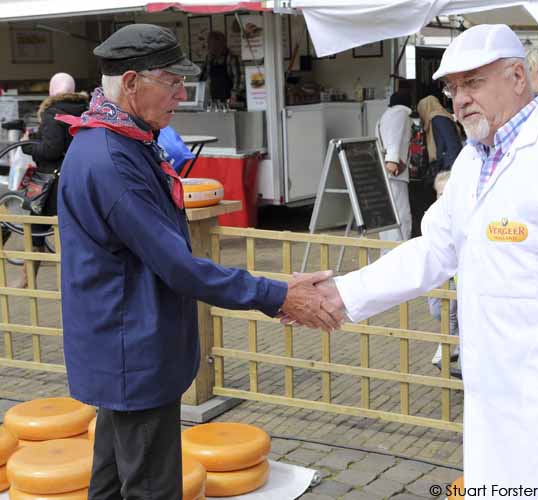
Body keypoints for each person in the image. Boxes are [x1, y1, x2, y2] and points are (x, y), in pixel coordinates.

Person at [310, 24, 538, 498]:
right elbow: (434, 249)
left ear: (518, 77)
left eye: (473, 82)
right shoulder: (472, 161)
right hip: (493, 393)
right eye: (452, 87)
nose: (459, 99)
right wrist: (343, 293)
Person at [56, 24, 341, 498]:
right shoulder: (110, 158)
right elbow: (179, 265)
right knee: (150, 486)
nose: (181, 94)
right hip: (133, 350)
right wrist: (278, 294)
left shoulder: (116, 141)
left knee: (110, 478)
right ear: (131, 83)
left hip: (122, 345)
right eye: (171, 82)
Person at [15, 73, 88, 288]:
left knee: (35, 230)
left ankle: (27, 280)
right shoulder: (86, 110)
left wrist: (27, 144)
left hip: (50, 183)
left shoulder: (51, 113)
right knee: (73, 232)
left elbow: (51, 149)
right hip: (78, 178)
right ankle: (78, 282)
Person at [427, 170, 458, 367]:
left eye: (447, 193)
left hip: (455, 274)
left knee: (453, 312)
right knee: (436, 310)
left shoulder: (458, 212)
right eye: (439, 193)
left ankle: (449, 347)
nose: (442, 198)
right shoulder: (432, 214)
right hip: (437, 271)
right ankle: (450, 345)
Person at [377, 91, 412, 242]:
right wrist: (392, 160)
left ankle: (387, 251)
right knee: (401, 214)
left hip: (385, 170)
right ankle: (398, 250)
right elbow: (394, 137)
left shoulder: (386, 114)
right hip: (395, 172)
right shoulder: (400, 113)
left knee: (388, 214)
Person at [416, 95, 463, 181]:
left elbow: (452, 145)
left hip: (446, 168)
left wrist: (447, 169)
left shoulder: (439, 119)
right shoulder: (435, 120)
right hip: (443, 166)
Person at [199, 31, 243, 107]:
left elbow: (239, 79)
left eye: (213, 45)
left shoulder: (232, 58)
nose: (210, 47)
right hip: (215, 99)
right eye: (209, 44)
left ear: (222, 44)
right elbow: (201, 78)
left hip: (232, 101)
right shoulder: (209, 58)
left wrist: (234, 96)